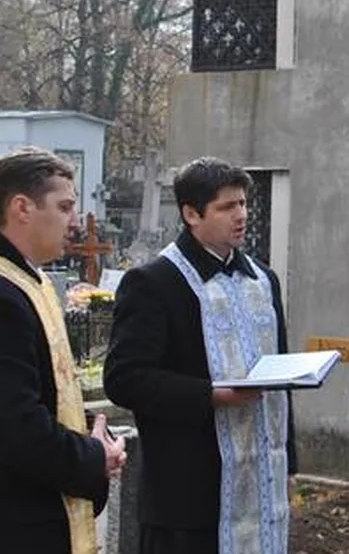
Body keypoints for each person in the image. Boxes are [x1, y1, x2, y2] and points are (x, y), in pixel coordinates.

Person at [0, 147, 126, 554]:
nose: (75, 222)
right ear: (21, 208)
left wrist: (90, 433)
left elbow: (39, 391)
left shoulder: (21, 281)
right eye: (64, 207)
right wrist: (91, 457)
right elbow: (14, 430)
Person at [105, 157, 297, 554]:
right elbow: (125, 378)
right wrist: (210, 394)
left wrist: (288, 462)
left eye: (243, 204)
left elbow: (278, 376)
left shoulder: (263, 280)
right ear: (191, 213)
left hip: (262, 479)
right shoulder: (153, 283)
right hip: (189, 488)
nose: (240, 215)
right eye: (227, 207)